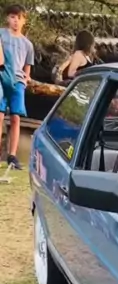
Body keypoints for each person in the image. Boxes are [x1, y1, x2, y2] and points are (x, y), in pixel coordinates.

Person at [0, 3, 34, 171]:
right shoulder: (1, 34)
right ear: (8, 18)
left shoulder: (27, 44)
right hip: (1, 78)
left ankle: (12, 156)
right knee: (0, 116)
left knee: (15, 118)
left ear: (24, 20)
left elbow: (27, 68)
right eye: (12, 17)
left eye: (18, 18)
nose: (15, 21)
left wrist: (25, 80)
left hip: (17, 83)